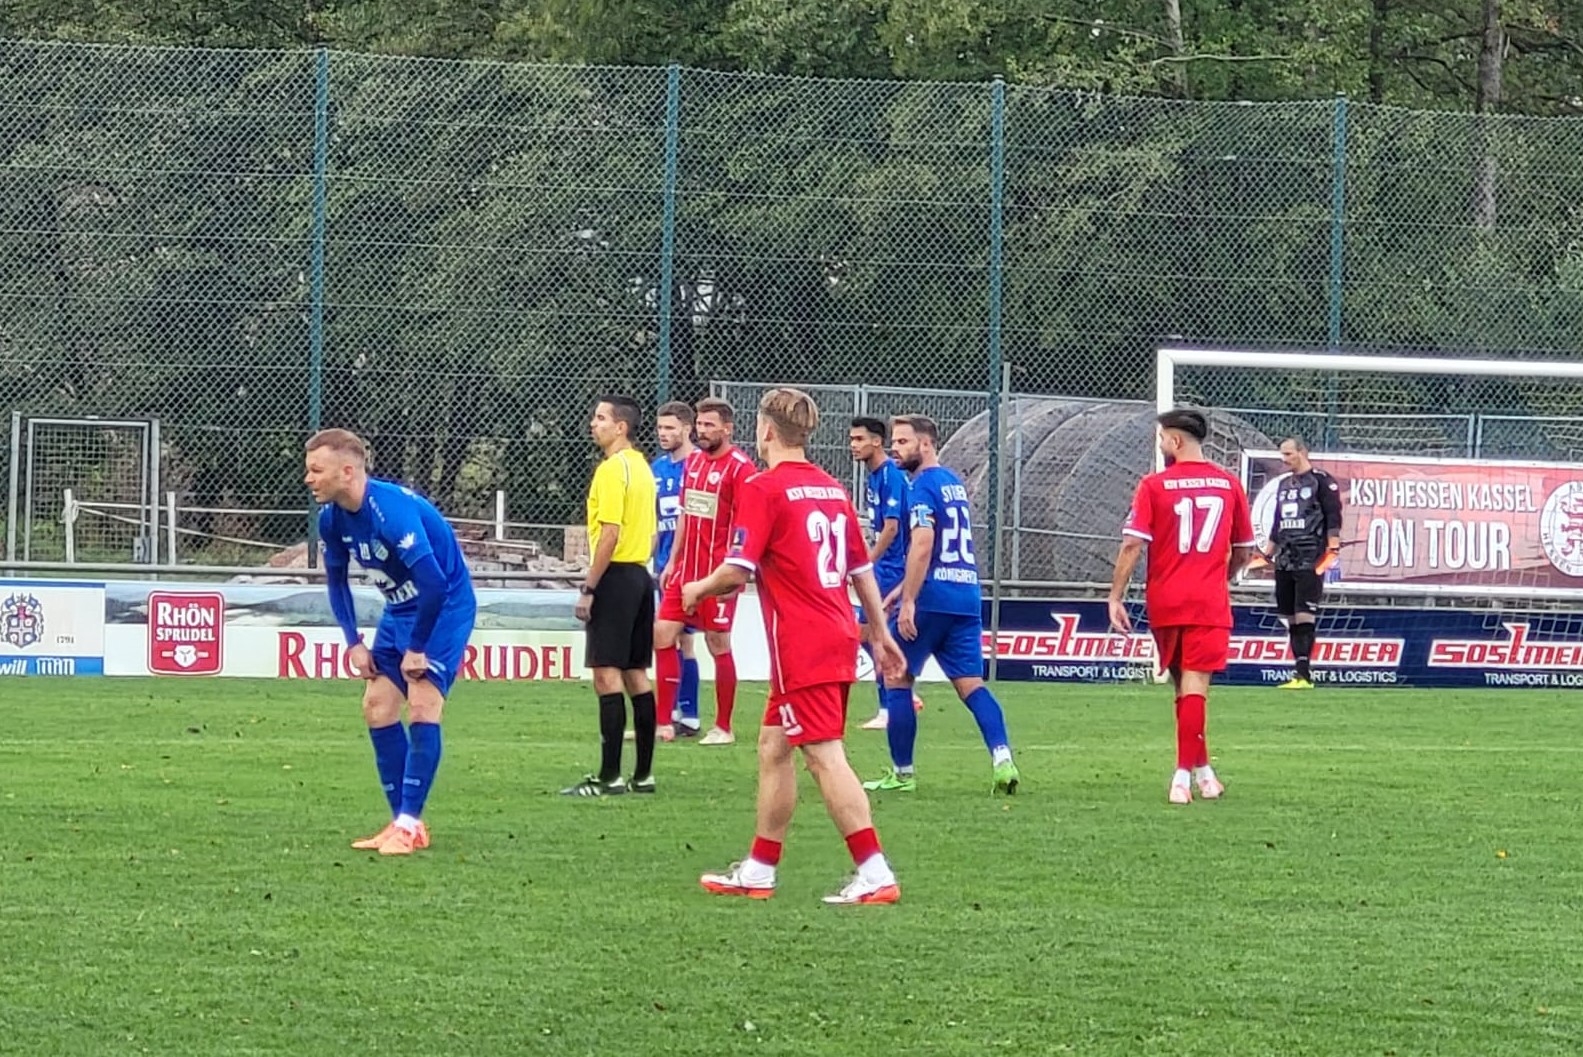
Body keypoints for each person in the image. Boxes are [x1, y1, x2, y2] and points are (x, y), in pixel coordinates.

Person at [684, 388, 907, 905]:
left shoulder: (764, 488)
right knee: (773, 746)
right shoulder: (831, 488)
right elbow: (861, 570)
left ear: (765, 430)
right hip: (835, 631)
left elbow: (737, 570)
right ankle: (760, 868)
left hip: (801, 643)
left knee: (824, 754)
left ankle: (875, 871)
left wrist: (697, 588)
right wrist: (878, 632)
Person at [305, 428, 477, 856]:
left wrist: (417, 648)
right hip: (399, 609)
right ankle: (401, 820)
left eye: (316, 470)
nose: (308, 479)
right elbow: (337, 582)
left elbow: (435, 584)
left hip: (443, 609)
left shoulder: (391, 512)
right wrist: (353, 642)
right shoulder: (331, 518)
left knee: (422, 704)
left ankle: (409, 824)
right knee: (377, 707)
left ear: (347, 471)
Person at [864, 414, 1020, 795]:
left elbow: (923, 544)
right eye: (894, 442)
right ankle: (1003, 760)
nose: (896, 449)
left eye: (903, 442)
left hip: (932, 598)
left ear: (926, 444)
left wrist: (910, 600)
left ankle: (903, 774)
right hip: (965, 595)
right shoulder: (953, 483)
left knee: (896, 676)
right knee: (971, 685)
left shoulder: (921, 487)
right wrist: (901, 589)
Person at [1107, 408, 1256, 805]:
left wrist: (1115, 596)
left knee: (1183, 687)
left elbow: (1132, 544)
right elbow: (1244, 550)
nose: (1161, 445)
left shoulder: (1154, 485)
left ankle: (1204, 775)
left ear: (1175, 441)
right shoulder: (1228, 484)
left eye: (1162, 439)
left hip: (1166, 600)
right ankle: (1182, 777)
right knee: (1195, 688)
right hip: (1207, 601)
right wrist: (1221, 577)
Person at [562, 395, 659, 797]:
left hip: (616, 576)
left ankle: (609, 776)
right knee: (636, 673)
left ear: (621, 427)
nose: (593, 423)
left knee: (606, 674)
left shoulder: (611, 470)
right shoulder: (643, 468)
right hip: (640, 576)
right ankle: (644, 775)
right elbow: (652, 535)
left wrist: (590, 587)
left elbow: (610, 533)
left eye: (601, 417)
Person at [654, 397, 757, 746]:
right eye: (699, 424)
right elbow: (686, 513)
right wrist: (673, 561)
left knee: (717, 644)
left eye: (709, 425)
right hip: (686, 570)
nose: (702, 430)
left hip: (717, 575)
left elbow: (747, 524)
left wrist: (737, 573)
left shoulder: (741, 468)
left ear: (728, 428)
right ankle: (663, 723)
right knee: (662, 634)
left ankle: (723, 727)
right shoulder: (694, 462)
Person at [848, 417, 915, 731]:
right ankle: (902, 692)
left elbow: (892, 528)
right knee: (868, 636)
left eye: (859, 439)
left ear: (877, 442)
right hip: (883, 567)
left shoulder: (890, 475)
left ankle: (890, 706)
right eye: (852, 439)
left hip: (892, 568)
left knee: (874, 636)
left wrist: (866, 563)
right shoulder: (874, 476)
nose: (853, 445)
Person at [1263, 437, 1343, 690]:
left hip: (1311, 555)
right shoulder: (1284, 484)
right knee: (1290, 616)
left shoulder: (1321, 480)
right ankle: (1299, 673)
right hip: (1285, 557)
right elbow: (1277, 521)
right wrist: (1267, 553)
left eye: (1289, 454)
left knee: (1304, 613)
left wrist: (1333, 547)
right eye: (1282, 455)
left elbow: (1333, 515)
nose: (1284, 459)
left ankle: (1304, 674)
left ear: (1302, 452)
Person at [651, 401, 702, 737]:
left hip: (691, 568)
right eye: (660, 428)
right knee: (672, 639)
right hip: (663, 568)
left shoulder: (699, 465)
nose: (663, 434)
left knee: (681, 639)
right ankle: (676, 714)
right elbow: (655, 521)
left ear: (687, 429)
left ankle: (686, 714)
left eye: (670, 428)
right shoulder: (656, 468)